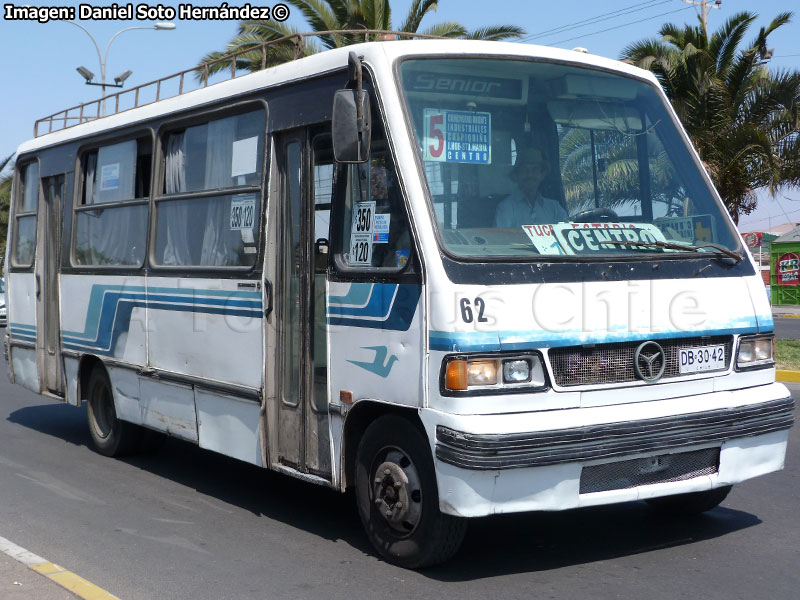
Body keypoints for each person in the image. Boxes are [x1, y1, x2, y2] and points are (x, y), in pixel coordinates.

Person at [495, 145, 568, 227]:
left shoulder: (555, 208)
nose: (530, 175)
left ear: (542, 175)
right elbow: (503, 238)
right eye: (524, 170)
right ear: (517, 175)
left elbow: (566, 234)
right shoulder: (506, 208)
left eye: (535, 169)